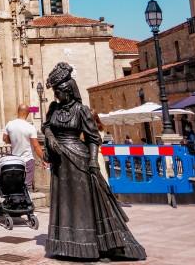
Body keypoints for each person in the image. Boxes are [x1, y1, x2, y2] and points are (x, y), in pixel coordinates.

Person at [42, 62, 146, 261]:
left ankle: (95, 245)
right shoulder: (54, 108)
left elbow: (93, 138)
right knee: (66, 204)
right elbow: (46, 127)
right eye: (55, 92)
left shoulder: (81, 110)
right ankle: (68, 244)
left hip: (79, 160)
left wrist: (92, 161)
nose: (57, 96)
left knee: (85, 204)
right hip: (61, 164)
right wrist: (51, 139)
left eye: (60, 92)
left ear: (70, 91)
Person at [3, 104, 45, 190]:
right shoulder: (30, 127)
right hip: (28, 160)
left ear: (18, 112)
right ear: (27, 113)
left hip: (15, 160)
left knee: (17, 184)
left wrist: (15, 140)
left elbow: (5, 139)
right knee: (27, 185)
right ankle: (27, 200)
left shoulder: (9, 124)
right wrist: (43, 159)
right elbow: (36, 146)